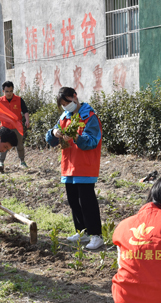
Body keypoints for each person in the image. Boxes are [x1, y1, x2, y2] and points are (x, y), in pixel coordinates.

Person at [45, 87, 104, 250]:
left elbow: (93, 140)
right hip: (68, 167)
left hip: (84, 166)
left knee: (87, 201)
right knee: (73, 201)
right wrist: (53, 132)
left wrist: (77, 137)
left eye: (67, 103)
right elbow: (50, 139)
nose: (66, 107)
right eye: (63, 105)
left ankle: (96, 235)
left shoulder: (89, 117)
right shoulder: (64, 117)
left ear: (75, 97)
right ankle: (82, 231)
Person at [0, 81, 30, 172]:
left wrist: (27, 120)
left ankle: (22, 161)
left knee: (19, 144)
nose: (9, 93)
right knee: (3, 144)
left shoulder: (19, 99)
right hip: (5, 127)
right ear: (3, 91)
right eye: (7, 91)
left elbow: (25, 111)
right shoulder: (0, 100)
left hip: (17, 127)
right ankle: (1, 163)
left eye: (11, 91)